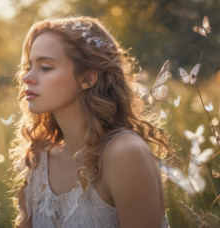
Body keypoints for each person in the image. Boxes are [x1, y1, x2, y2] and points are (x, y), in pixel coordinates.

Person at [9, 16, 171, 228]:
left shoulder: (125, 153)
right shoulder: (39, 156)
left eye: (45, 67)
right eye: (29, 66)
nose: (27, 77)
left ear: (87, 78)